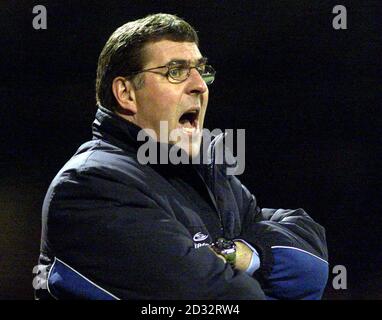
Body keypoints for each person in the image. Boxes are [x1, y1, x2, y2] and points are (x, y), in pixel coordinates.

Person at [36, 13, 328, 300]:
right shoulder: (89, 186)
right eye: (176, 72)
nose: (200, 85)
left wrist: (238, 253)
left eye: (202, 70)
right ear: (125, 93)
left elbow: (314, 265)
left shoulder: (210, 177)